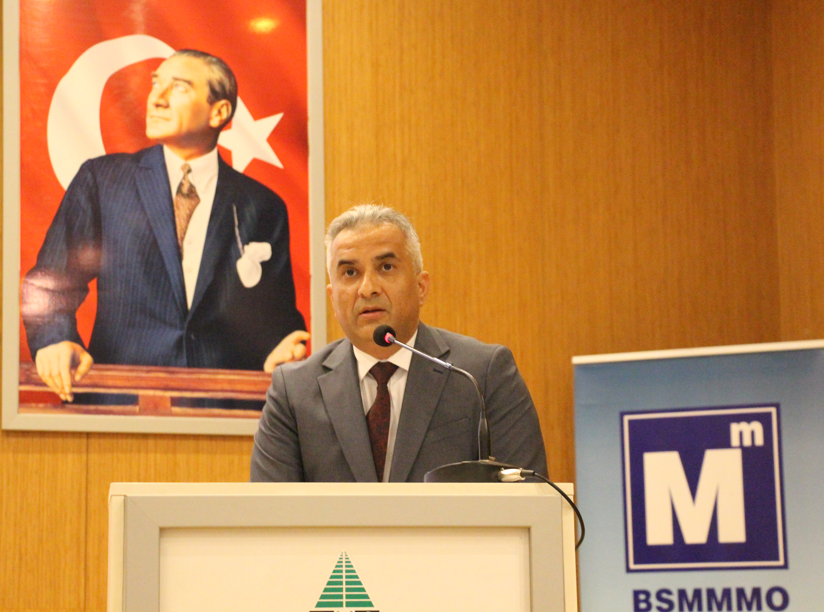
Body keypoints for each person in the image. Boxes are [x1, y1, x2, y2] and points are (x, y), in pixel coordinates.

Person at [22, 49, 309, 403]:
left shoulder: (262, 205)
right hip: (119, 404)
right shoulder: (103, 181)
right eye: (156, 83)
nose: (156, 98)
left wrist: (283, 348)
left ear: (219, 112)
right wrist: (54, 339)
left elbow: (276, 318)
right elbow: (50, 282)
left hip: (226, 409)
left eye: (179, 87)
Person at [250, 204, 547, 482]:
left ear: (421, 287)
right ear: (333, 297)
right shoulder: (294, 391)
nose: (368, 289)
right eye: (350, 273)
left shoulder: (481, 376)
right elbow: (269, 512)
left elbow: (530, 501)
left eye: (386, 267)